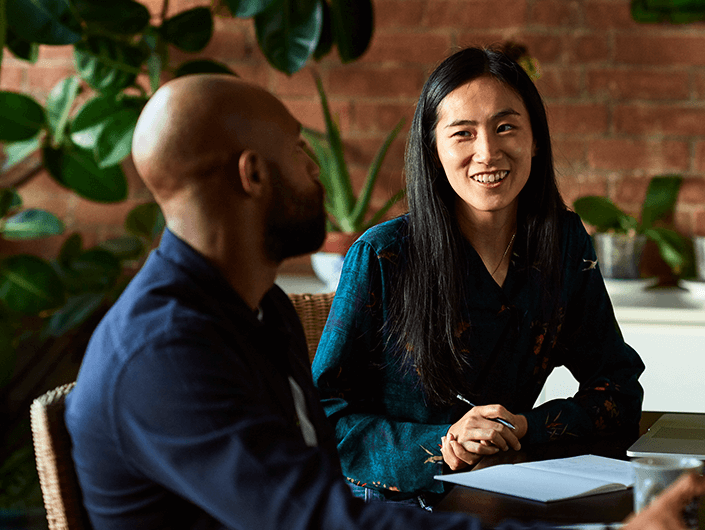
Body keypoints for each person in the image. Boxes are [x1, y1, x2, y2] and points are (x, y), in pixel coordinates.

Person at [63, 73, 702, 530]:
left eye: (508, 127)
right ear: (253, 174)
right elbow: (315, 514)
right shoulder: (166, 354)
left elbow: (309, 482)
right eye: (298, 147)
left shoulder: (260, 310)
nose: (317, 168)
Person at [312, 45, 647, 505]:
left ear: (535, 140)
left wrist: (524, 426)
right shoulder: (383, 254)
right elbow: (322, 418)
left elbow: (618, 387)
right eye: (462, 134)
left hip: (507, 492)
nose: (487, 152)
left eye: (505, 127)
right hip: (391, 505)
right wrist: (443, 441)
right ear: (433, 149)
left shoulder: (561, 241)